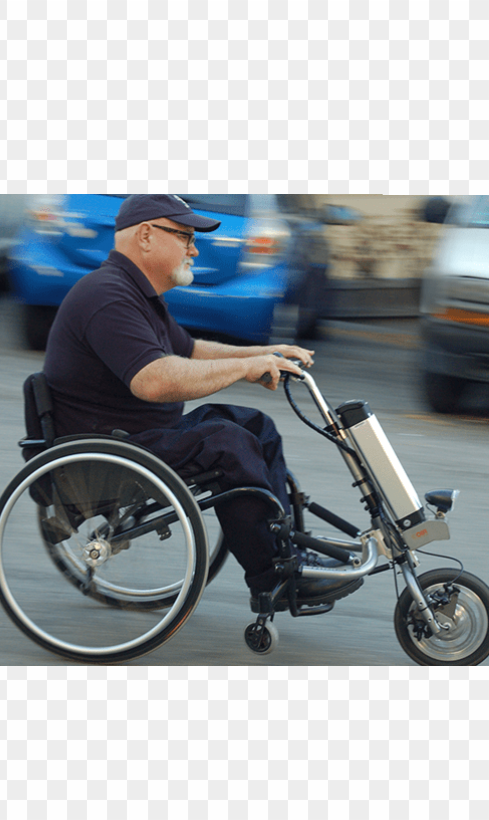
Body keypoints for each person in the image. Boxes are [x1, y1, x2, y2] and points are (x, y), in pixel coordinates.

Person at [43, 194, 361, 607]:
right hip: (107, 454)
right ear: (145, 236)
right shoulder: (108, 296)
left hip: (136, 434)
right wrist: (245, 369)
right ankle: (273, 578)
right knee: (228, 445)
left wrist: (266, 353)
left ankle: (287, 552)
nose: (195, 248)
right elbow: (154, 382)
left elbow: (191, 351)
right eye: (185, 236)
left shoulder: (135, 294)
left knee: (255, 427)